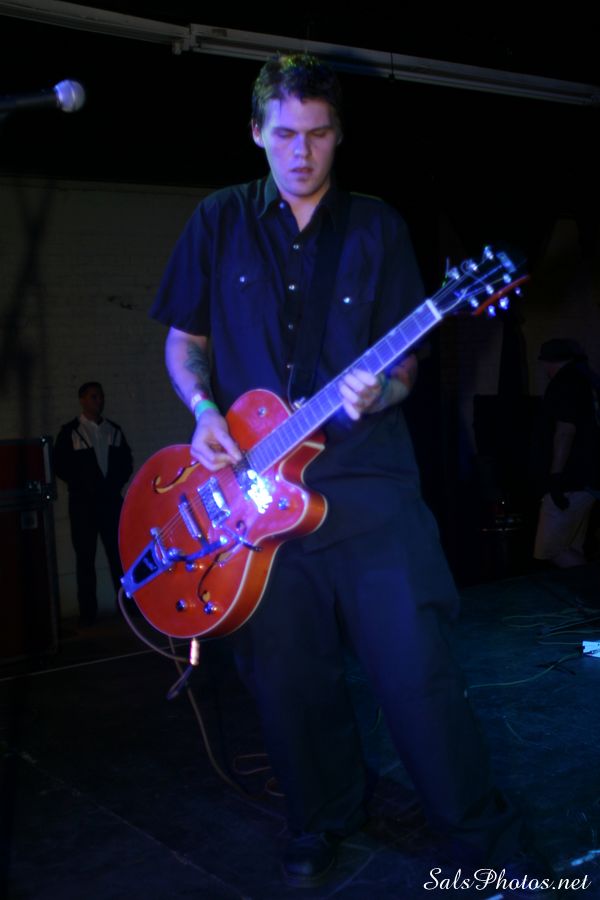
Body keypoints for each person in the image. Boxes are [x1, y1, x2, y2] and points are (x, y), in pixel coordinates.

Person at [150, 54, 524, 886]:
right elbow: (184, 341)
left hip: (367, 487)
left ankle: (482, 843)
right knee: (288, 678)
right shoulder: (218, 220)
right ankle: (322, 818)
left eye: (319, 135)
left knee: (417, 669)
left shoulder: (378, 227)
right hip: (255, 498)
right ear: (256, 131)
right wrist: (205, 412)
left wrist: (382, 389)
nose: (302, 152)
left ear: (339, 134)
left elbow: (408, 366)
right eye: (285, 134)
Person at [54, 382, 133, 626]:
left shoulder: (113, 430)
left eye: (100, 397)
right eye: (93, 397)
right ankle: (88, 614)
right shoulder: (71, 432)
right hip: (83, 506)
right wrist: (85, 486)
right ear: (82, 400)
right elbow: (60, 465)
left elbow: (126, 463)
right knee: (85, 558)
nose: (99, 401)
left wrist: (112, 486)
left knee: (118, 557)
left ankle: (128, 609)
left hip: (110, 503)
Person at [533, 339, 600, 567]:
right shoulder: (586, 381)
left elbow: (565, 431)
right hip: (585, 481)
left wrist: (556, 477)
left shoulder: (565, 383)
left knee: (551, 549)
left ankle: (591, 586)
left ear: (548, 362)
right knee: (571, 546)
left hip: (571, 481)